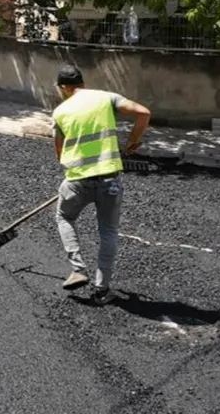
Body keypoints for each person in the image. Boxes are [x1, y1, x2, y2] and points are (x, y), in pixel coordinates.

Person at [50, 64, 151, 304]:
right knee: (108, 231)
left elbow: (59, 152)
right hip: (109, 180)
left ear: (62, 87)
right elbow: (143, 113)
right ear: (83, 83)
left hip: (77, 181)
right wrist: (132, 142)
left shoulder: (60, 112)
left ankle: (78, 269)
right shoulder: (107, 98)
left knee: (64, 217)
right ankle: (102, 290)